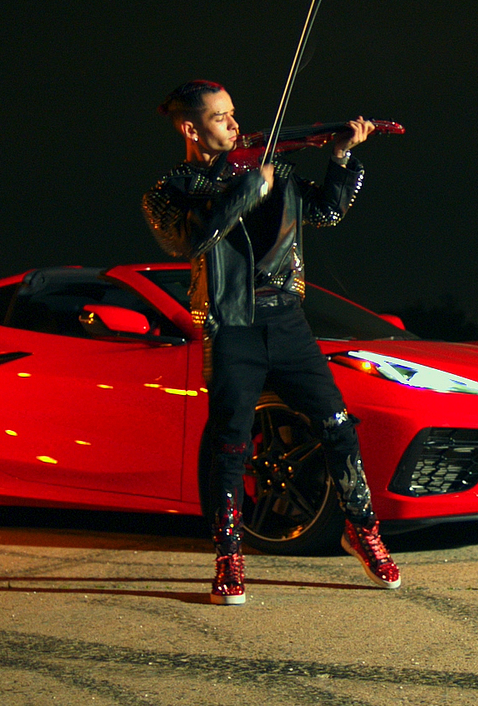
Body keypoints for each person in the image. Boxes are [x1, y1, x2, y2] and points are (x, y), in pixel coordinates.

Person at [141, 79, 400, 604]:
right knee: (230, 444)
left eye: (233, 113)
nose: (235, 125)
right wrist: (243, 191)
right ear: (191, 128)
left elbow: (326, 211)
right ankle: (229, 556)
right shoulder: (171, 190)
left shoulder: (273, 169)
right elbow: (190, 239)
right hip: (230, 324)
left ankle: (361, 529)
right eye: (220, 117)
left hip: (286, 321)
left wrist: (341, 157)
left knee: (337, 426)